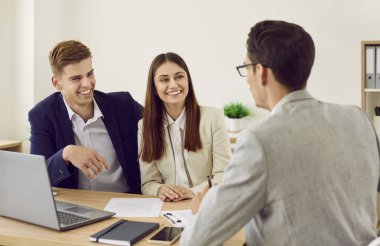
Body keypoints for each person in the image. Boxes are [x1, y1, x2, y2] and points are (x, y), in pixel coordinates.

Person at [180, 20, 380, 245]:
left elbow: (196, 240)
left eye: (246, 68)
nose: (246, 79)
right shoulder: (358, 118)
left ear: (261, 71)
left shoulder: (260, 140)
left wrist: (202, 211)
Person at [28, 40, 143, 194]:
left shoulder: (124, 105)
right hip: (78, 206)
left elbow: (162, 123)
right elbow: (37, 177)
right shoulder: (42, 115)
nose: (87, 84)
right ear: (57, 83)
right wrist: (66, 154)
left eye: (90, 74)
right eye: (76, 78)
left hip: (128, 201)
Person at [138, 52, 231, 202]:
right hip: (169, 208)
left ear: (188, 80)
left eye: (179, 76)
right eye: (164, 80)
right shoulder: (144, 126)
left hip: (207, 202)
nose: (173, 85)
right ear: (154, 88)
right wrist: (160, 189)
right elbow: (148, 183)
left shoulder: (213, 117)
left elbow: (225, 174)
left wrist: (193, 192)